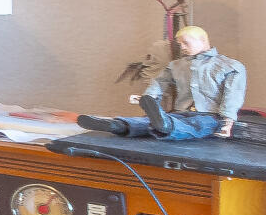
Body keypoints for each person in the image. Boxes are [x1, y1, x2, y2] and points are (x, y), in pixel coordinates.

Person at [79, 25, 246, 139]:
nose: (182, 48)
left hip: (210, 116)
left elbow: (233, 96)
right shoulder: (176, 65)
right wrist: (148, 98)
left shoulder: (229, 66)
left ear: (202, 41)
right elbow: (159, 83)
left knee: (196, 126)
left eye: (186, 43)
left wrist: (227, 122)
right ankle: (118, 125)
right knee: (150, 123)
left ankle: (166, 125)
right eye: (180, 45)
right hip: (180, 112)